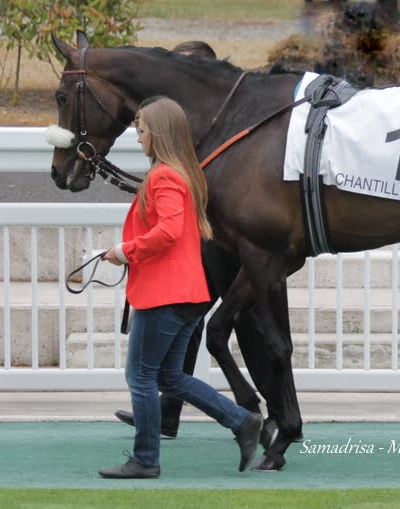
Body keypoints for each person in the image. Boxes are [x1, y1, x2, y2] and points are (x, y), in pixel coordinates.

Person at [98, 96, 263, 479]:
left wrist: (125, 251)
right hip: (188, 294)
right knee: (169, 377)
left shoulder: (164, 176)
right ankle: (241, 421)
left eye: (141, 130)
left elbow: (168, 232)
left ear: (157, 132)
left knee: (140, 377)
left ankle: (145, 459)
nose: (137, 137)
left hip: (166, 295)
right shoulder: (180, 173)